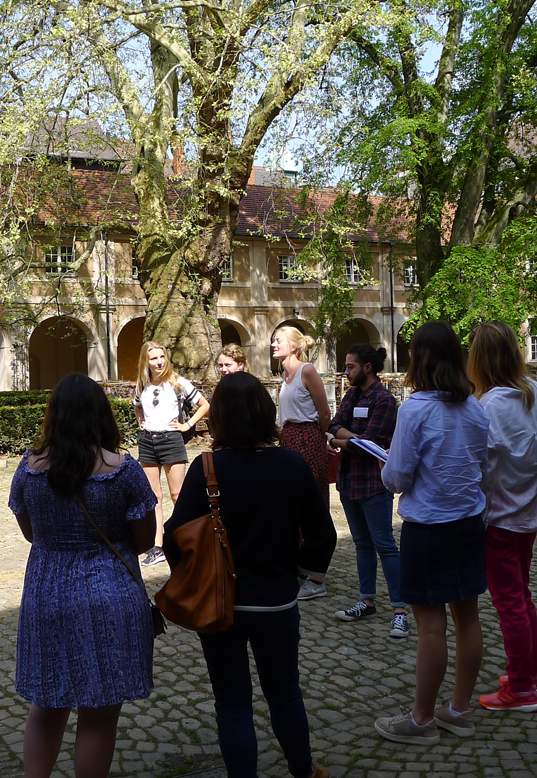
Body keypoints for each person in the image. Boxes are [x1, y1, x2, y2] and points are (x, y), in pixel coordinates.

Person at [164, 373, 331, 778]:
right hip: (276, 598)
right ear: (264, 411)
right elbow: (323, 535)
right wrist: (297, 567)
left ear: (218, 416)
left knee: (232, 700)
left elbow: (173, 537)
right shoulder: (291, 464)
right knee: (285, 692)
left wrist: (192, 573)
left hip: (221, 600)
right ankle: (303, 770)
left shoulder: (206, 468)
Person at [8, 374, 158, 778]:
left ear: (53, 415)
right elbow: (145, 541)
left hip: (47, 592)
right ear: (101, 414)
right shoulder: (123, 471)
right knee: (99, 712)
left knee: (47, 702)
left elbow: (31, 534)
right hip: (110, 592)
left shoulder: (29, 470)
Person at [375, 322, 490, 745]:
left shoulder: (416, 409)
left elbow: (398, 477)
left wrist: (385, 465)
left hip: (428, 528)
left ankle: (421, 719)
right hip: (468, 523)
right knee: (468, 619)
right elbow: (484, 469)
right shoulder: (476, 408)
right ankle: (458, 710)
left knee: (430, 627)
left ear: (419, 359)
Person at [468, 321, 537, 712]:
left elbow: (481, 468)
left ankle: (520, 688)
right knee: (523, 596)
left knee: (509, 603)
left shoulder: (489, 405)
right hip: (529, 510)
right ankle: (530, 673)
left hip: (499, 516)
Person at [325, 344, 407, 635]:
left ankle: (400, 609)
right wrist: (348, 439)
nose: (346, 371)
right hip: (349, 482)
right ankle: (367, 601)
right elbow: (334, 425)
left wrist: (341, 441)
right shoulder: (351, 395)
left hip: (374, 483)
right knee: (362, 544)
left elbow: (369, 444)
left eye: (350, 366)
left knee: (385, 545)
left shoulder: (384, 400)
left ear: (367, 368)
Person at [271, 326, 337, 602]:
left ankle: (315, 573)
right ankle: (299, 564)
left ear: (294, 346)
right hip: (288, 438)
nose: (273, 344)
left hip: (308, 437)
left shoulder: (306, 370)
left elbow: (324, 412)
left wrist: (322, 439)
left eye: (278, 340)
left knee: (312, 503)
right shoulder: (283, 376)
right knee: (289, 503)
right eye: (273, 340)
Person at [132, 341, 210, 567]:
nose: (158, 362)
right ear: (145, 362)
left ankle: (190, 541)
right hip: (147, 441)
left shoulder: (177, 382)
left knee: (178, 495)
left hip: (171, 440)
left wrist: (188, 425)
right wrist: (141, 422)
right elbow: (137, 405)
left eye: (161, 357)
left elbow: (204, 405)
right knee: (153, 496)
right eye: (153, 358)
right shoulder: (142, 384)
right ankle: (157, 547)